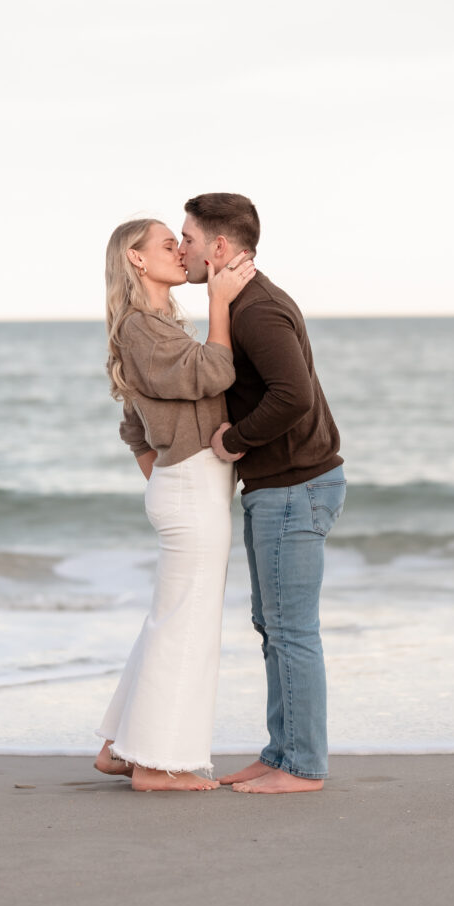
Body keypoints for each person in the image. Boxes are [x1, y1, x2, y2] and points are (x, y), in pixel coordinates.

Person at [178, 193, 346, 794]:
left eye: (189, 239)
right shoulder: (244, 301)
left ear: (220, 247)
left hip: (295, 487)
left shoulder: (256, 309)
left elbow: (293, 395)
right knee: (273, 626)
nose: (183, 249)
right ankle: (282, 753)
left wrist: (234, 441)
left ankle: (302, 766)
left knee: (291, 629)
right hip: (284, 487)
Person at [94, 217, 256, 791]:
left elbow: (134, 429)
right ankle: (156, 766)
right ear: (137, 260)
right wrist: (221, 302)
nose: (179, 251)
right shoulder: (142, 328)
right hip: (190, 486)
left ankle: (121, 746)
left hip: (186, 483)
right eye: (167, 244)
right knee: (186, 627)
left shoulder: (154, 325)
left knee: (171, 619)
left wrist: (166, 472)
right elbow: (213, 371)